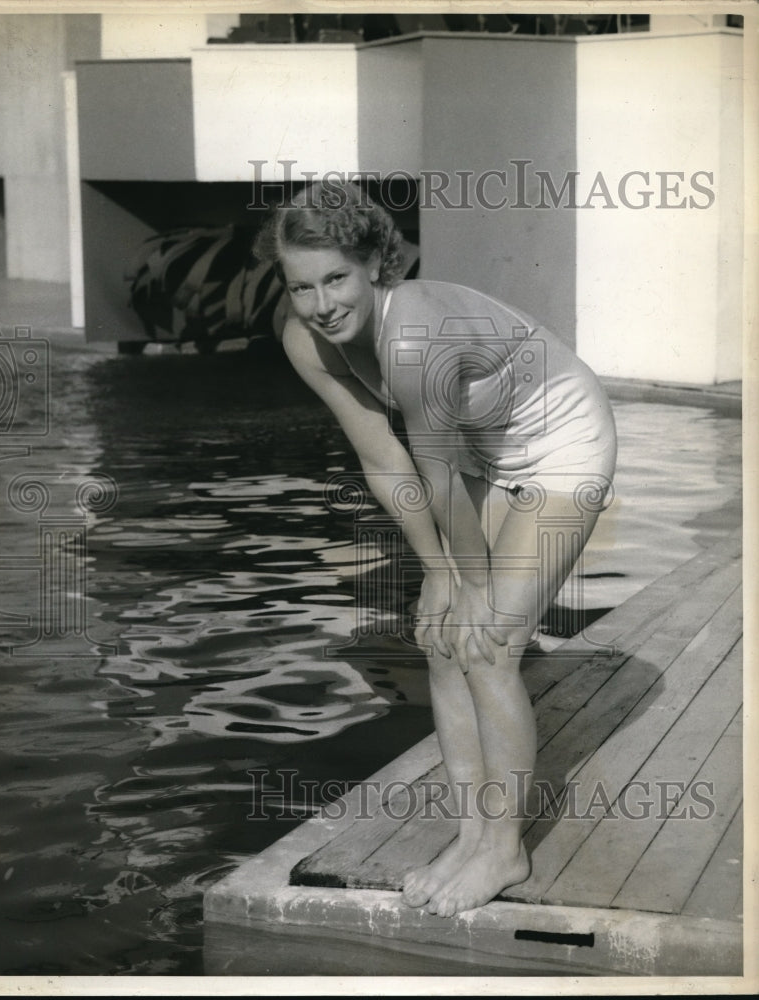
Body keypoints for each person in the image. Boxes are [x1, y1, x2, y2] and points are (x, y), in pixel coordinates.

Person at [253, 181, 617, 917]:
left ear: (373, 266)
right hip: (484, 448)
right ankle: (474, 834)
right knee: (443, 639)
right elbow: (384, 459)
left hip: (562, 445)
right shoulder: (304, 340)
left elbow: (440, 479)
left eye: (336, 278)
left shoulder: (413, 337)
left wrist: (467, 586)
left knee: (486, 642)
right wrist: (438, 577)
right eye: (303, 286)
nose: (322, 304)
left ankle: (504, 851)